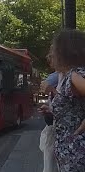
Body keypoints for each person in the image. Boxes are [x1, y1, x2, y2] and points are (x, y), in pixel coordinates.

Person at [50, 29, 85, 172]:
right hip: (70, 152)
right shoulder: (70, 76)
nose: (51, 54)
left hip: (77, 153)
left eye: (54, 49)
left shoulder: (74, 75)